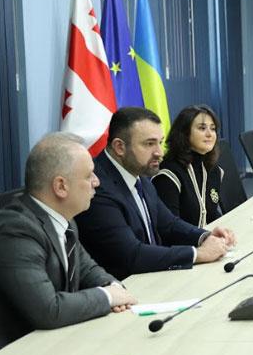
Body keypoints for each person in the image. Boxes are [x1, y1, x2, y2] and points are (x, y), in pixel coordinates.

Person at [0, 133, 137, 355]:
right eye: (89, 175)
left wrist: (113, 287)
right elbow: (48, 310)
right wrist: (108, 297)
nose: (97, 182)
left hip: (48, 346)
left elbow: (88, 269)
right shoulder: (14, 230)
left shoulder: (64, 219)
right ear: (61, 186)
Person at [76, 107, 236, 280]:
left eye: (160, 142)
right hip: (123, 285)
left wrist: (204, 236)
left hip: (151, 276)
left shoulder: (138, 172)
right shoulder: (97, 187)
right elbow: (131, 255)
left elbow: (169, 224)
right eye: (149, 144)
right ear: (120, 147)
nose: (159, 152)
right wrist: (198, 254)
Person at [153, 105, 225, 227]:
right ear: (184, 133)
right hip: (183, 239)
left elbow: (210, 214)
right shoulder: (169, 174)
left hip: (206, 236)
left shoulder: (214, 171)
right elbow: (170, 227)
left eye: (213, 129)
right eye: (202, 128)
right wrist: (204, 237)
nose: (210, 134)